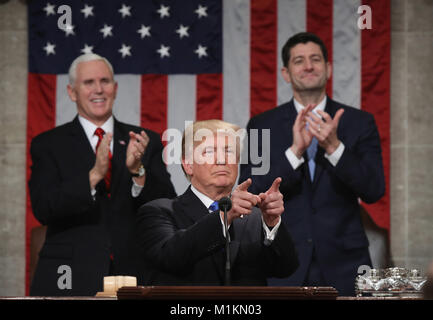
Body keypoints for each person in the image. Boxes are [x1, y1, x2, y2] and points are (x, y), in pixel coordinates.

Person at [239, 32, 385, 296]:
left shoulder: (360, 122)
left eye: (315, 59)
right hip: (282, 263)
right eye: (299, 61)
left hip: (346, 264)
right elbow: (252, 191)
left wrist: (334, 148)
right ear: (286, 73)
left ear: (328, 69)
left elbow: (374, 189)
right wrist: (295, 152)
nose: (308, 66)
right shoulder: (260, 125)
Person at [29, 53, 176, 296]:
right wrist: (94, 175)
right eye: (88, 83)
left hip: (134, 272)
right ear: (72, 92)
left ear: (115, 88)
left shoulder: (142, 140)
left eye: (105, 81)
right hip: (69, 274)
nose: (99, 89)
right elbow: (44, 208)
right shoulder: (48, 144)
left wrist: (137, 172)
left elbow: (166, 207)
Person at [135, 120, 299, 285]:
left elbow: (285, 268)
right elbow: (171, 257)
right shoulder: (159, 212)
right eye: (209, 151)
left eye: (229, 151)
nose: (222, 160)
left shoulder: (256, 218)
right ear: (188, 165)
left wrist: (272, 224)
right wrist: (223, 218)